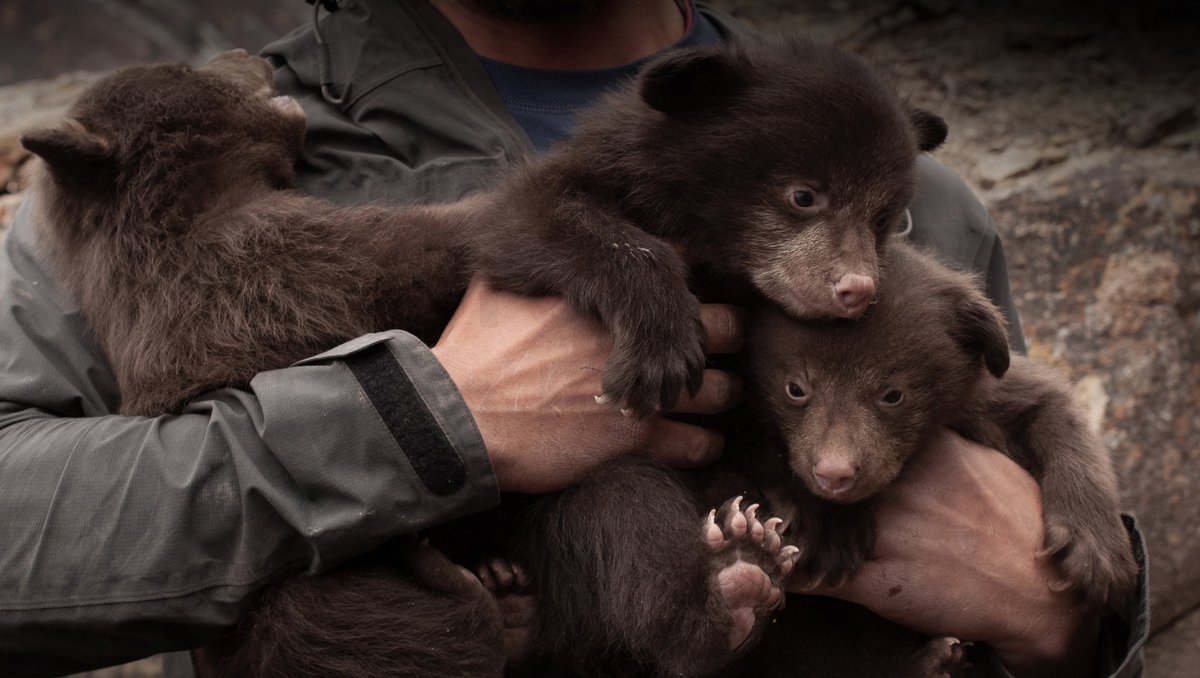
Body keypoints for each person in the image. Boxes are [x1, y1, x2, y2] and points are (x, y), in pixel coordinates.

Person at [0, 0, 1146, 676]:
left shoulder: (898, 187)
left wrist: (1061, 623)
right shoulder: (181, 161)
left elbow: (1023, 554)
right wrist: (421, 424)